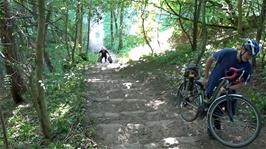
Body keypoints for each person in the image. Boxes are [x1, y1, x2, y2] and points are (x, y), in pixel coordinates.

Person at [203, 39, 261, 137]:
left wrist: (230, 87)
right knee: (211, 105)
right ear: (243, 49)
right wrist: (206, 77)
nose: (249, 57)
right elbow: (210, 59)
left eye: (252, 56)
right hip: (214, 82)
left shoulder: (247, 66)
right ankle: (211, 126)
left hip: (228, 87)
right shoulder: (228, 53)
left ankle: (216, 121)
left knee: (227, 105)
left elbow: (242, 82)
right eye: (249, 54)